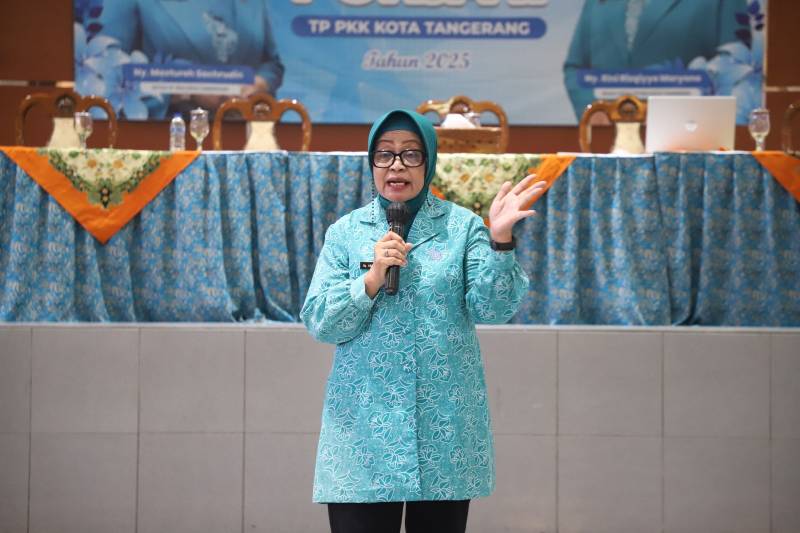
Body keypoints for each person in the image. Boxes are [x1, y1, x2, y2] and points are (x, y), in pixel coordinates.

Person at [300, 109, 547, 533]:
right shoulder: (346, 232)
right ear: (372, 163)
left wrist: (501, 240)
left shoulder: (462, 227)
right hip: (364, 432)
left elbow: (493, 308)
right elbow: (322, 322)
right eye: (385, 154)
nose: (396, 165)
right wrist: (370, 280)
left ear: (429, 162)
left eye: (411, 154)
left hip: (443, 430)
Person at [563, 0, 748, 120]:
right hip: (607, 143)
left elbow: (736, 61)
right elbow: (575, 68)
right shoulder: (596, 3)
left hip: (687, 142)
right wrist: (592, 110)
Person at [98, 0, 284, 117]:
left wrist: (261, 82)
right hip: (169, 139)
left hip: (245, 139)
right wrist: (187, 90)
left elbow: (271, 63)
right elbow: (109, 69)